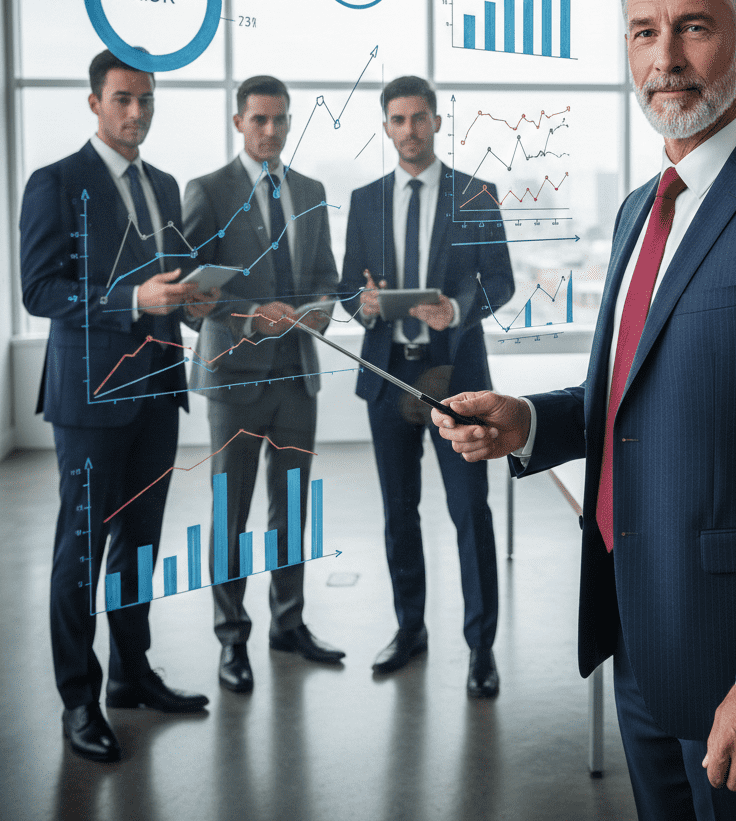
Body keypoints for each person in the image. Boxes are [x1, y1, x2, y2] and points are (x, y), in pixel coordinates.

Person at [433, 0, 736, 819]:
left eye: (693, 28)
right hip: (637, 635)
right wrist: (528, 420)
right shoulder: (644, 207)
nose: (665, 59)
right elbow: (634, 400)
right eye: (643, 33)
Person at [20, 49, 218, 764]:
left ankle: (133, 676)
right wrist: (133, 300)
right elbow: (39, 291)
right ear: (95, 102)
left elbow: (174, 280)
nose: (137, 113)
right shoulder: (56, 182)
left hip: (159, 391)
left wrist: (195, 300)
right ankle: (80, 700)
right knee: (81, 555)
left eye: (146, 101)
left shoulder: (163, 187)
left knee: (139, 547)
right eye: (123, 99)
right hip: (90, 399)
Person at [340, 75, 514, 697]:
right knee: (398, 513)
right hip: (389, 379)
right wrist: (362, 304)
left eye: (419, 118)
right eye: (397, 119)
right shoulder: (365, 200)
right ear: (386, 127)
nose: (409, 130)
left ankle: (480, 648)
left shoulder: (474, 194)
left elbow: (501, 282)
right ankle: (409, 629)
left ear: (437, 122)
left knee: (470, 512)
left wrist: (459, 309)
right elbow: (345, 288)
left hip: (456, 382)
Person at [182, 75, 343, 694]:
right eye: (259, 120)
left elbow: (325, 275)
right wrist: (249, 315)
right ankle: (231, 639)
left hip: (297, 375)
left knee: (292, 511)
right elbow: (195, 290)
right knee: (233, 514)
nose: (270, 131)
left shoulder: (310, 190)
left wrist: (321, 308)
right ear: (238, 122)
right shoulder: (210, 191)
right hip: (236, 380)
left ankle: (289, 624)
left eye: (280, 120)